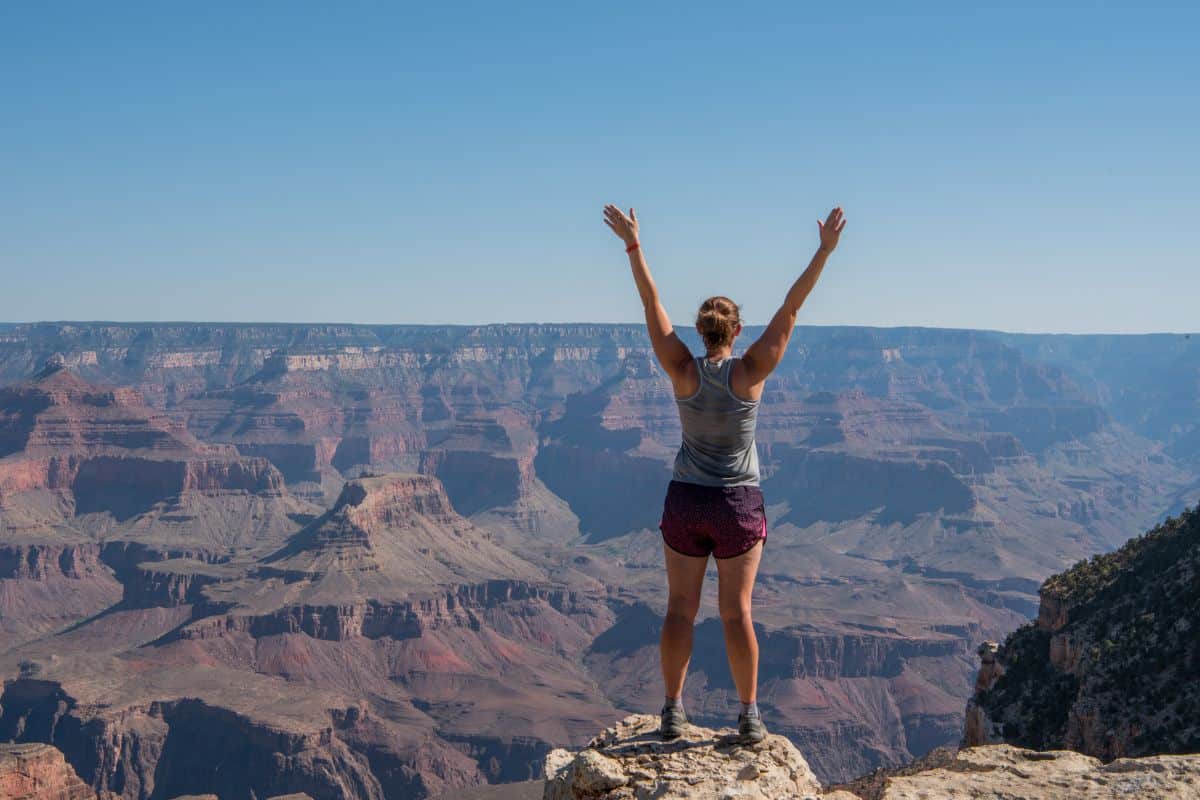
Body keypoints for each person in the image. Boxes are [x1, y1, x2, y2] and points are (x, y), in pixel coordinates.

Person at [602, 203, 847, 744]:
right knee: (737, 613)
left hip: (686, 501)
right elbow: (792, 306)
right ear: (737, 330)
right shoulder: (751, 372)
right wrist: (824, 252)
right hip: (737, 504)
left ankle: (671, 710)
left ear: (700, 331)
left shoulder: (681, 369)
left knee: (679, 609)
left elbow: (651, 302)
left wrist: (634, 246)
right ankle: (750, 715)